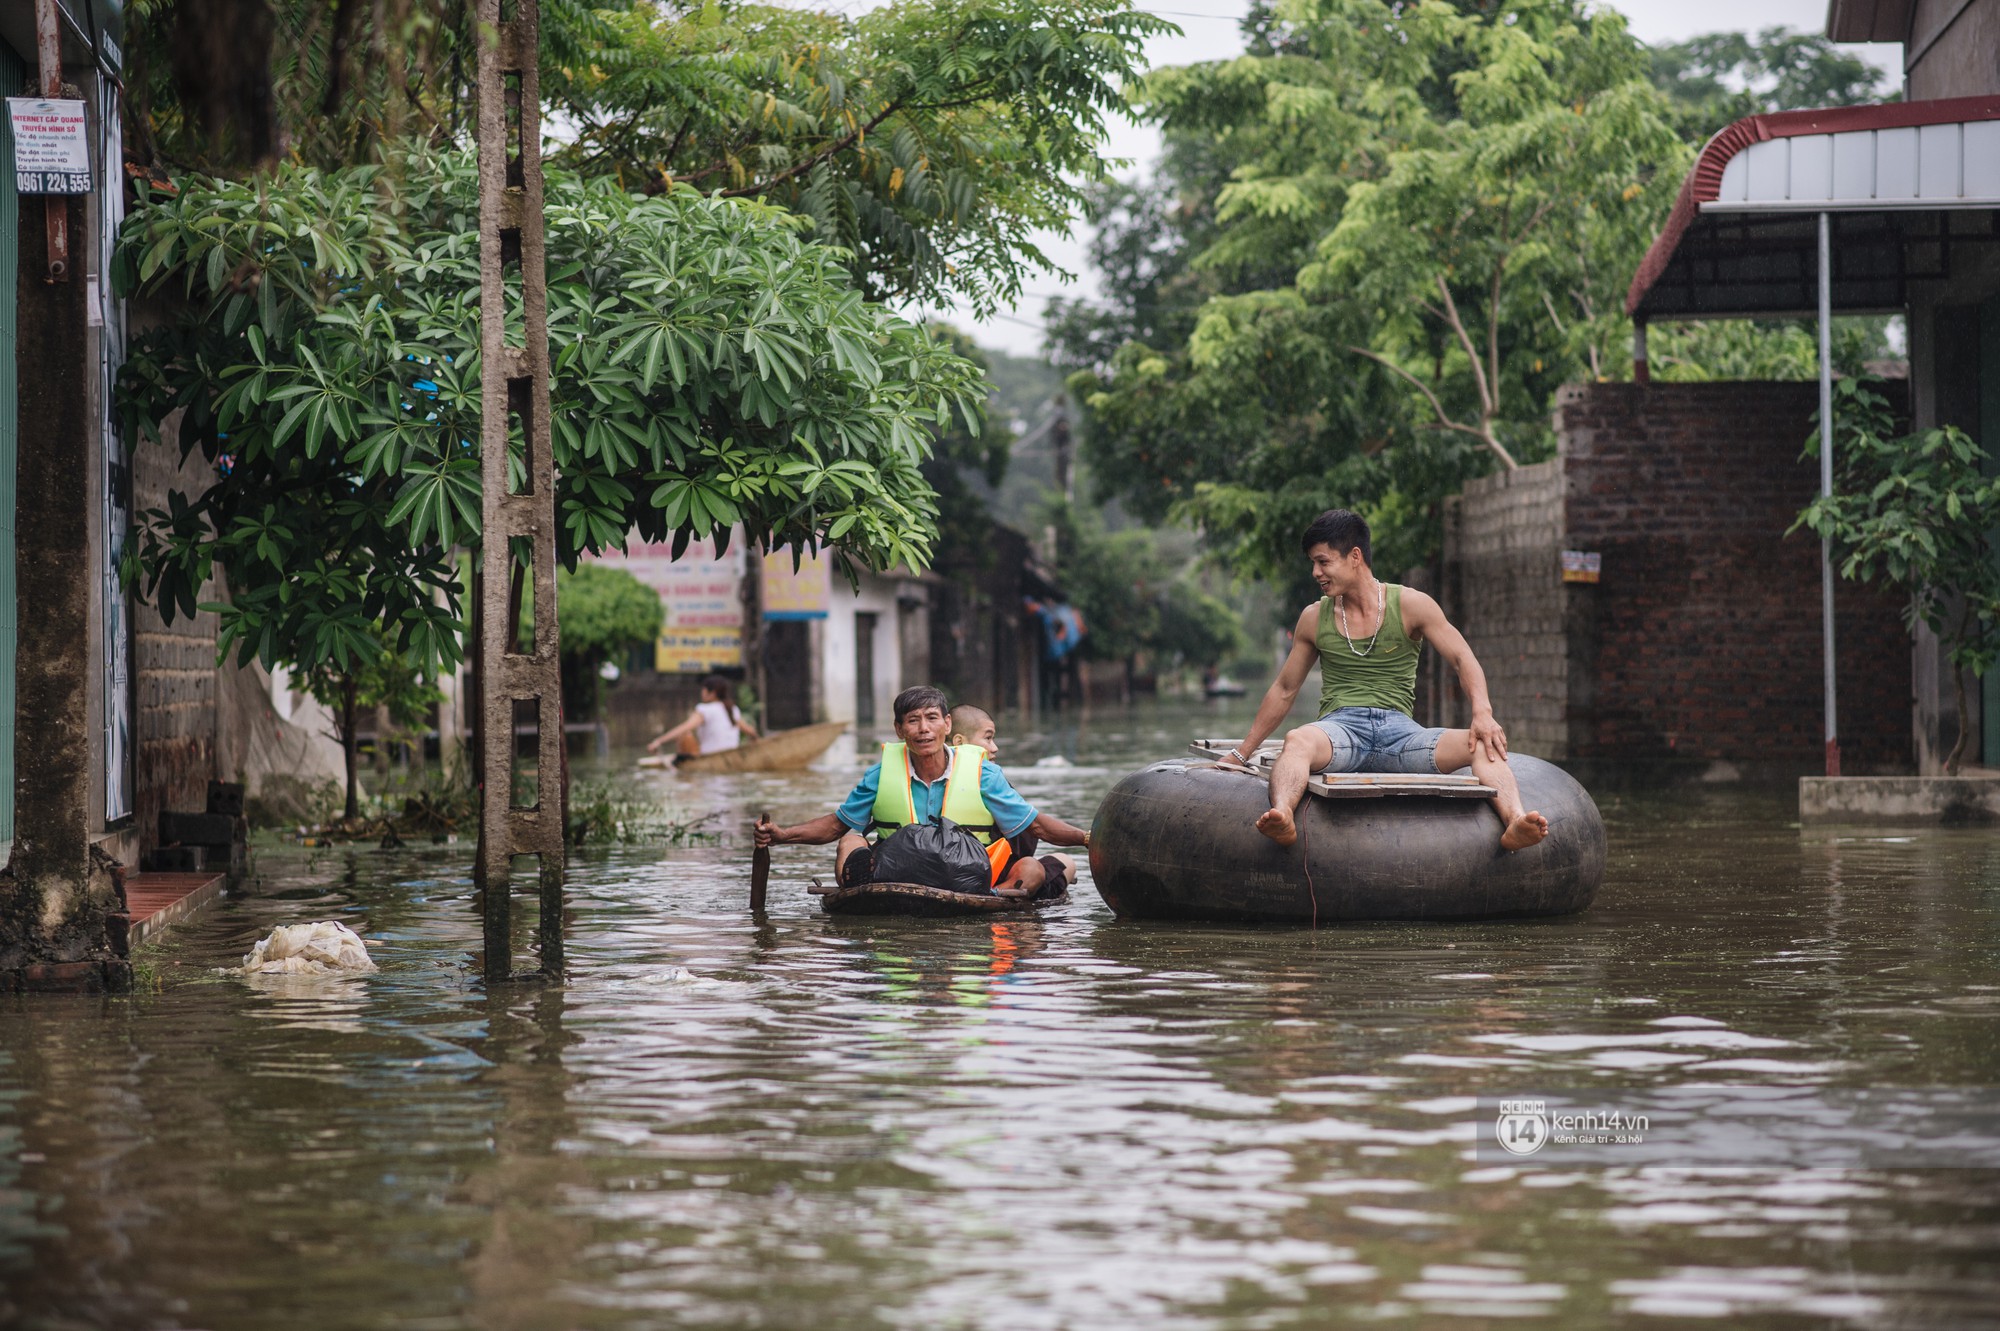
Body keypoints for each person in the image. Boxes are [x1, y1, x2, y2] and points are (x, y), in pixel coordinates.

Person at [1228, 509, 1550, 853]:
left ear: (1354, 557)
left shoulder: (1411, 604)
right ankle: (1283, 815)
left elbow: (1462, 657)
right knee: (1297, 740)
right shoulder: (1313, 618)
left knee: (1484, 742)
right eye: (1313, 563)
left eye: (1323, 562)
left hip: (1403, 738)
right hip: (1340, 732)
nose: (1315, 573)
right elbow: (1285, 689)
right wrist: (1241, 753)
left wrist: (1482, 714)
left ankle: (1515, 820)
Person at [755, 687, 1090, 898]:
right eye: (913, 721)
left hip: (970, 877)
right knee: (850, 842)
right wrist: (783, 835)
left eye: (932, 719)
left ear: (947, 725)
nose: (923, 729)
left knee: (1031, 870)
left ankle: (989, 898)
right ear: (900, 730)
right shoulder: (881, 772)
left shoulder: (983, 773)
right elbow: (835, 826)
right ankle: (872, 894)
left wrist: (1087, 838)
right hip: (897, 870)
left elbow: (1036, 826)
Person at [949, 703, 1078, 890]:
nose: (994, 748)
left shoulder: (922, 771)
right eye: (988, 738)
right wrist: (1087, 838)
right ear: (959, 742)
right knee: (1065, 862)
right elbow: (1036, 828)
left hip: (954, 870)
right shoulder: (985, 776)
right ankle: (993, 894)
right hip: (986, 873)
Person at [646, 675, 758, 757]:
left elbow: (684, 728)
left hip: (710, 756)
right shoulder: (733, 709)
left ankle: (685, 771)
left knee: (686, 735)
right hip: (732, 755)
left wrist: (658, 742)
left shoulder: (704, 709)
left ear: (712, 693)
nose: (702, 693)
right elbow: (751, 732)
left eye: (703, 690)